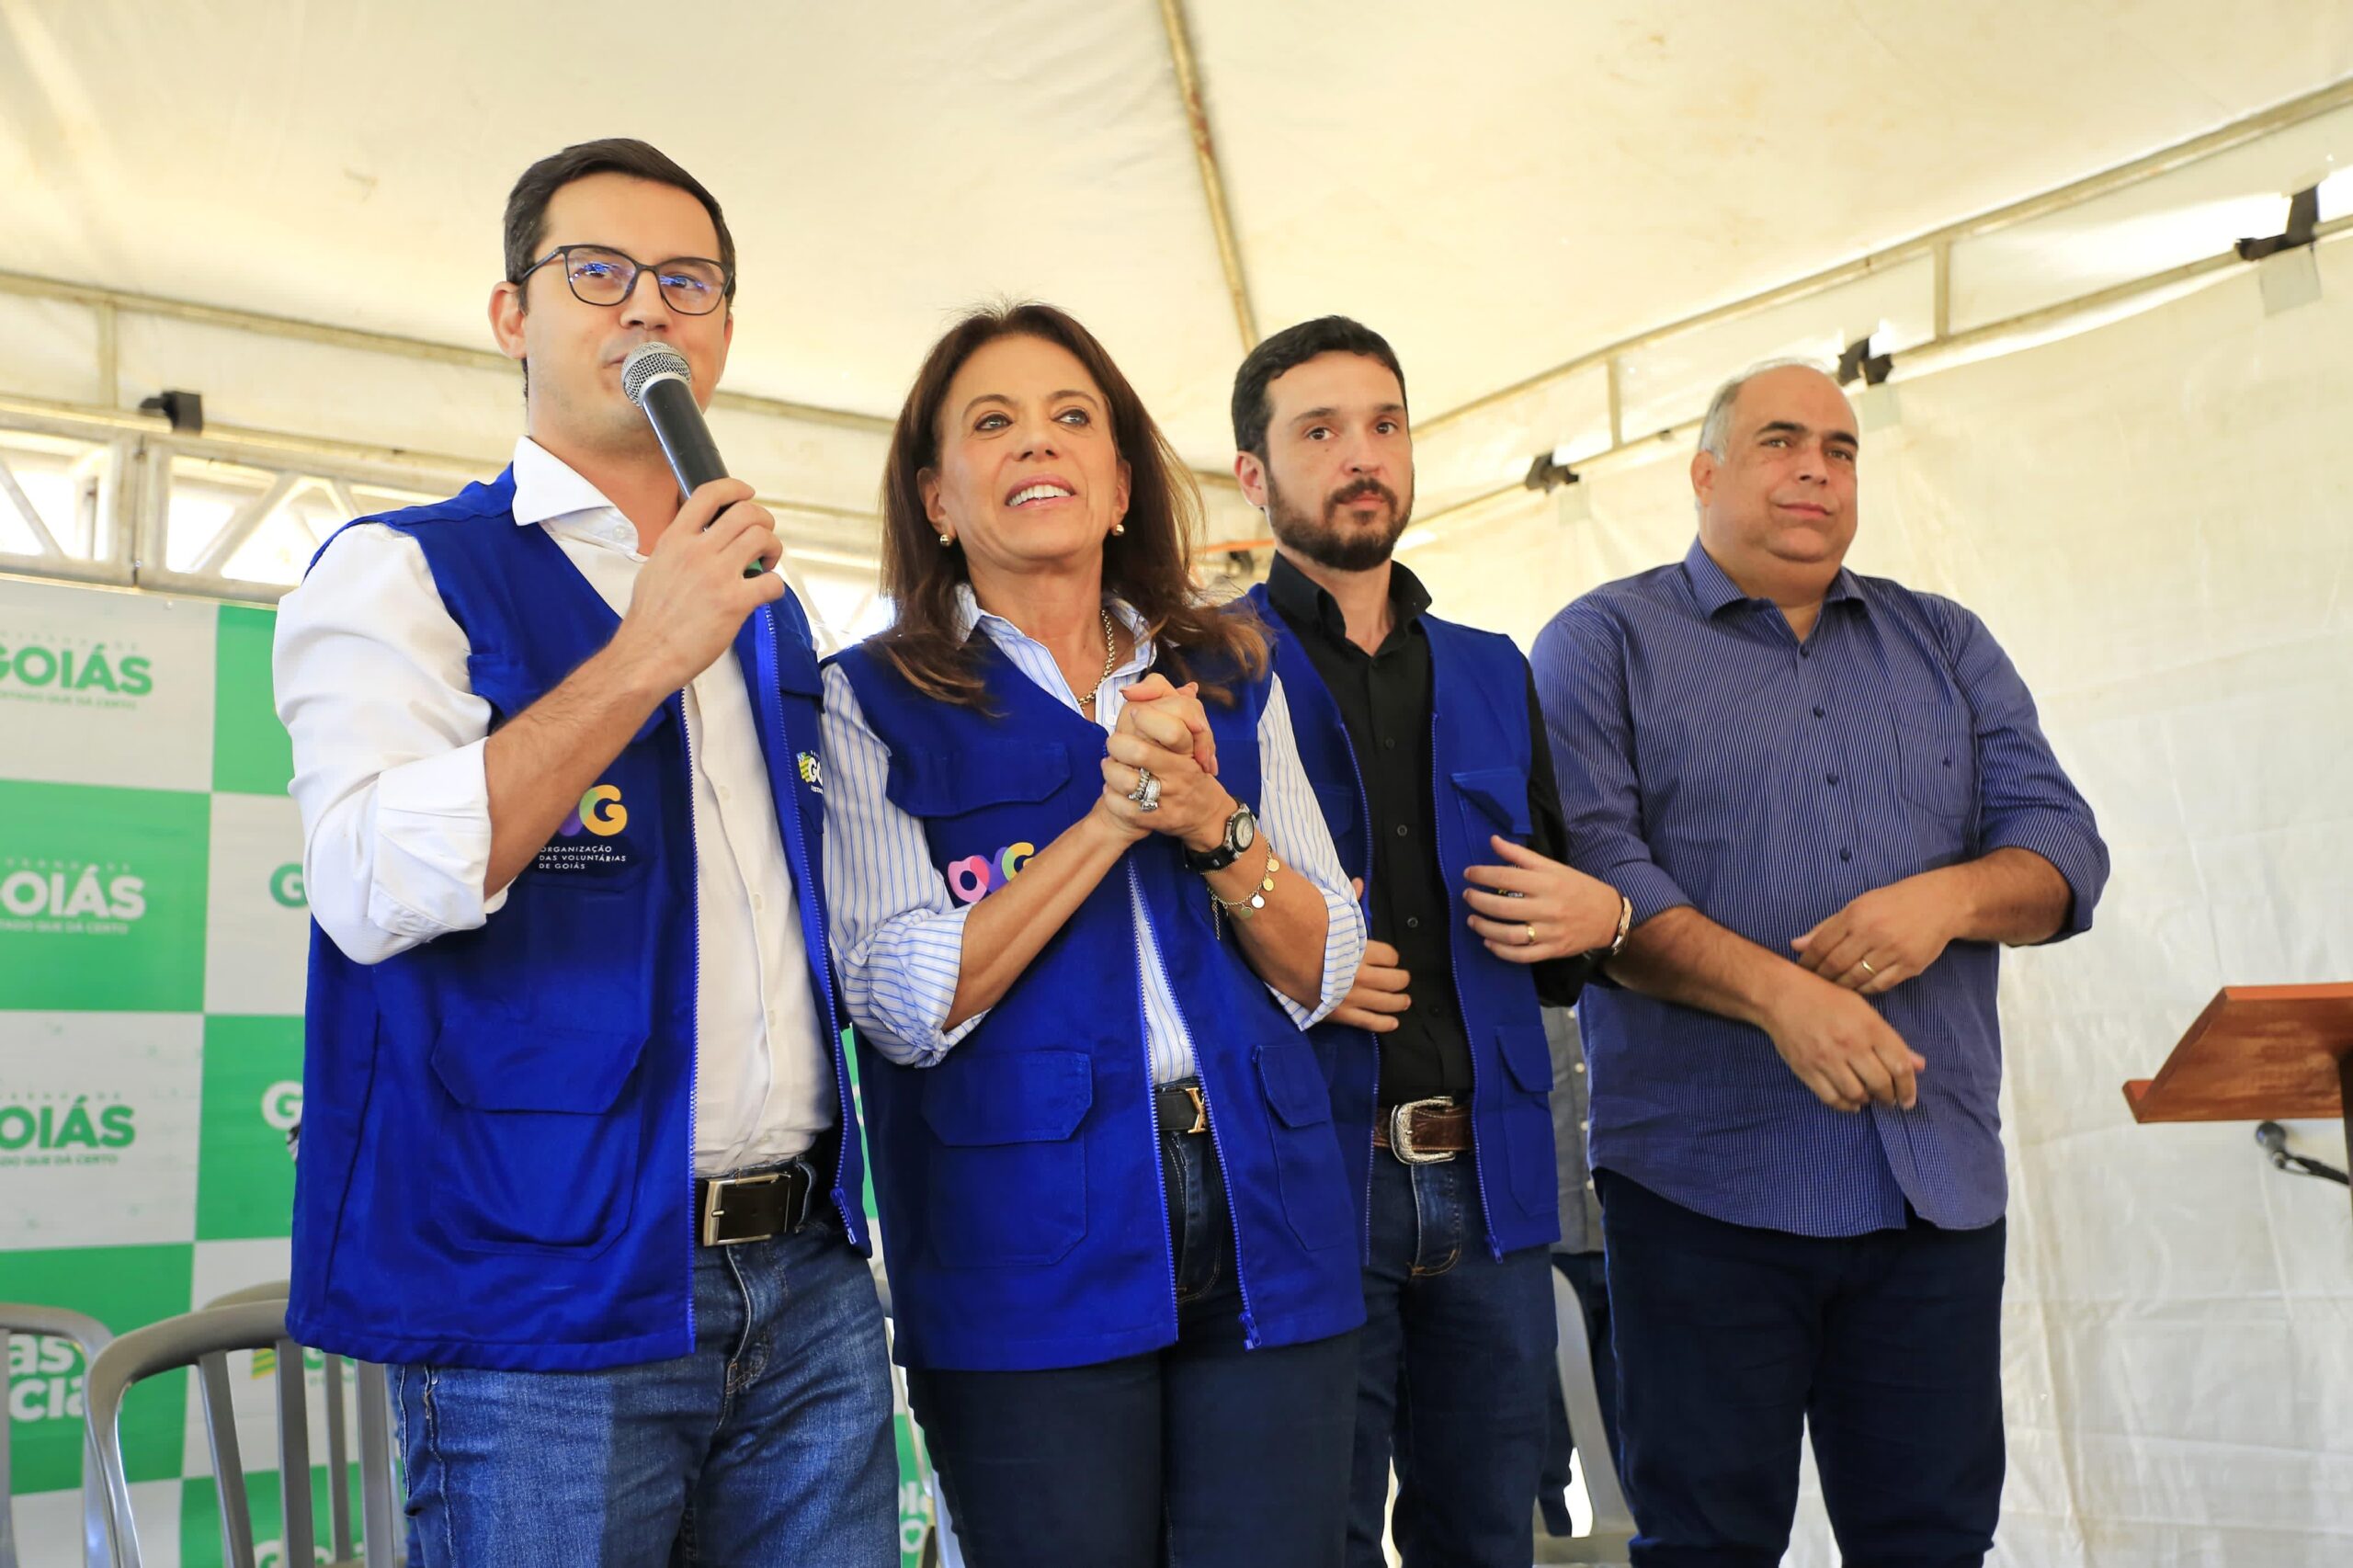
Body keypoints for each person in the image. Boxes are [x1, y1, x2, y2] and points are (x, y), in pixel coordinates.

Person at [273, 139, 895, 1567]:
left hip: (804, 1276)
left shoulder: (768, 606)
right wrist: (639, 657)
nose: (648, 308)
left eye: (688, 281)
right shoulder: (404, 568)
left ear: (723, 328)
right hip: (535, 1290)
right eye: (598, 272)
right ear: (513, 313)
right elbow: (367, 885)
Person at [1533, 360, 2110, 1566]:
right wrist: (1783, 999)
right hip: (1702, 1185)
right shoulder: (1604, 642)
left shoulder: (1944, 640)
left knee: (1932, 1541)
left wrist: (1949, 897)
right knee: (1706, 1543)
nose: (1815, 469)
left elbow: (2065, 849)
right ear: (1704, 473)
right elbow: (1595, 876)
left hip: (1930, 1182)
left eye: (1840, 449)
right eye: (1780, 442)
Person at [823, 302, 1370, 1568]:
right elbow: (898, 1001)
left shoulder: (1235, 666)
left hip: (1269, 1213)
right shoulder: (869, 697)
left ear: (1121, 485)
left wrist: (1213, 821)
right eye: (993, 422)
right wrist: (1113, 822)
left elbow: (1328, 961)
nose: (1038, 443)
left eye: (1072, 417)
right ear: (937, 497)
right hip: (1021, 1243)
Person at [1229, 314, 1631, 1568]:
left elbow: (1561, 937)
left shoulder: (1493, 667)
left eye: (1385, 424)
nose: (1362, 455)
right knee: (1316, 1538)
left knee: (1487, 1536)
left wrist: (1594, 915)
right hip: (1305, 1178)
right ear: (1253, 476)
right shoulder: (1207, 665)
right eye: (1320, 430)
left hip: (1492, 1181)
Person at [1535, 1003, 1619, 1540]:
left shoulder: (1622, 990)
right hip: (1544, 1253)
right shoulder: (1512, 992)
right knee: (1539, 1459)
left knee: (1644, 1451)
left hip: (1630, 1250)